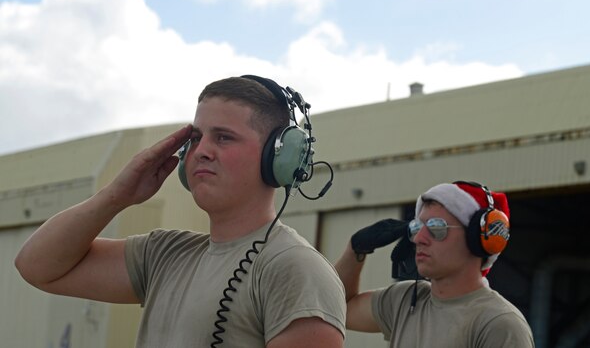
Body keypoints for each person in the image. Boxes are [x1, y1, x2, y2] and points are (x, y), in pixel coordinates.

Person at [15, 75, 346, 347]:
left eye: (224, 138)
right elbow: (37, 266)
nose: (201, 151)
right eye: (197, 137)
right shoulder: (166, 254)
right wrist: (117, 195)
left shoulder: (295, 270)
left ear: (281, 158)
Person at [335, 181, 534, 347]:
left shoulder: (498, 323)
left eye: (436, 227)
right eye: (417, 227)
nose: (418, 238)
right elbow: (334, 308)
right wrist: (355, 250)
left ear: (479, 238)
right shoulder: (405, 300)